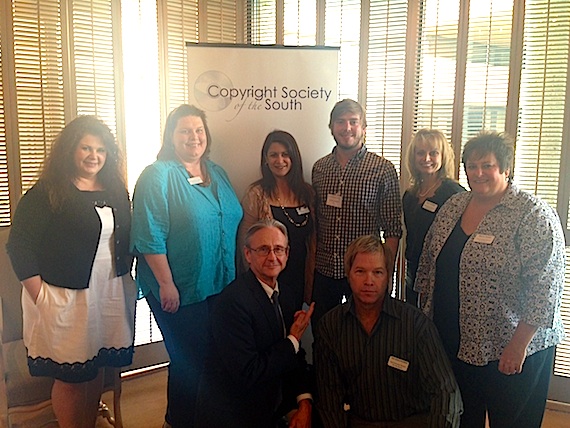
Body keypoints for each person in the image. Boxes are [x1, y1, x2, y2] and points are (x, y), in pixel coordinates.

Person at [415, 131, 566, 428]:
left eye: (487, 165)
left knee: (511, 422)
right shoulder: (454, 206)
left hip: (510, 346)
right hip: (457, 342)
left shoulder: (533, 214)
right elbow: (428, 264)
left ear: (505, 169)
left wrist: (518, 345)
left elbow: (545, 288)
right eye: (472, 166)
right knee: (461, 416)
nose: (478, 173)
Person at [6, 116, 135, 428]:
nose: (94, 156)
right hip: (64, 297)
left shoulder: (115, 189)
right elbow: (19, 244)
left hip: (108, 293)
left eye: (101, 150)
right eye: (86, 148)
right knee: (72, 377)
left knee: (98, 368)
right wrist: (41, 294)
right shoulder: (48, 191)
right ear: (70, 150)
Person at [130, 104, 242, 428]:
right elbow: (149, 235)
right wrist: (166, 284)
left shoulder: (216, 172)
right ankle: (176, 422)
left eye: (199, 131)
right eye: (185, 131)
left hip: (218, 283)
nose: (193, 137)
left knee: (211, 360)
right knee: (188, 361)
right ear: (171, 136)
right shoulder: (158, 175)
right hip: (178, 286)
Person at [314, 234, 462, 428]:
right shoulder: (330, 326)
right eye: (360, 271)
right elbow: (328, 399)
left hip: (411, 423)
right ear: (348, 274)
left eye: (377, 272)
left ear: (388, 276)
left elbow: (446, 393)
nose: (369, 281)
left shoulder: (415, 324)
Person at [195, 219, 315, 428]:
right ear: (248, 254)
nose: (272, 257)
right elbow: (249, 373)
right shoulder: (232, 302)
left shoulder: (287, 294)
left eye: (278, 249)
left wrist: (304, 402)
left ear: (287, 254)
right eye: (263, 249)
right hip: (234, 414)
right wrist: (294, 339)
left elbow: (294, 357)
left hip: (273, 402)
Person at [311, 99, 402, 326]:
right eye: (340, 122)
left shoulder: (382, 169)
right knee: (324, 332)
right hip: (325, 269)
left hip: (364, 273)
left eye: (353, 122)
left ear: (364, 127)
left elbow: (392, 229)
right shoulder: (319, 168)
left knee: (365, 333)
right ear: (331, 127)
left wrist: (384, 273)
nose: (347, 128)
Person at [239, 130, 316, 307]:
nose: (279, 161)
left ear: (294, 158)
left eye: (285, 154)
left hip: (299, 278)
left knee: (294, 329)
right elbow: (246, 243)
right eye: (274, 155)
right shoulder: (256, 195)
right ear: (266, 159)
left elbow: (313, 240)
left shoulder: (308, 194)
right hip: (267, 281)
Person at [402, 129, 465, 307]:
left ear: (443, 156)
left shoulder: (454, 194)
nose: (426, 158)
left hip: (443, 277)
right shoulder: (410, 196)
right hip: (413, 273)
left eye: (433, 153)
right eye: (420, 153)